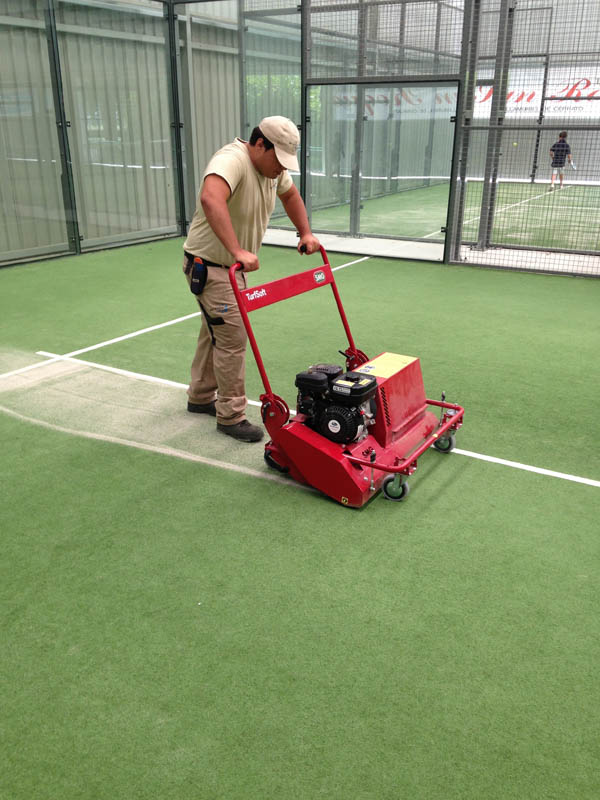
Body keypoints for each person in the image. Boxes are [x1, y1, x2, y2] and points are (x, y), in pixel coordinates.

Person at [182, 116, 321, 442]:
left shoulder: (273, 170)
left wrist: (305, 232)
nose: (281, 168)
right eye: (278, 160)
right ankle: (231, 415)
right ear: (260, 144)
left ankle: (200, 395)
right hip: (210, 265)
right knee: (232, 336)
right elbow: (210, 198)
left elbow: (290, 196)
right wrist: (237, 250)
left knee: (215, 329)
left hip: (230, 268)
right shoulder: (232, 160)